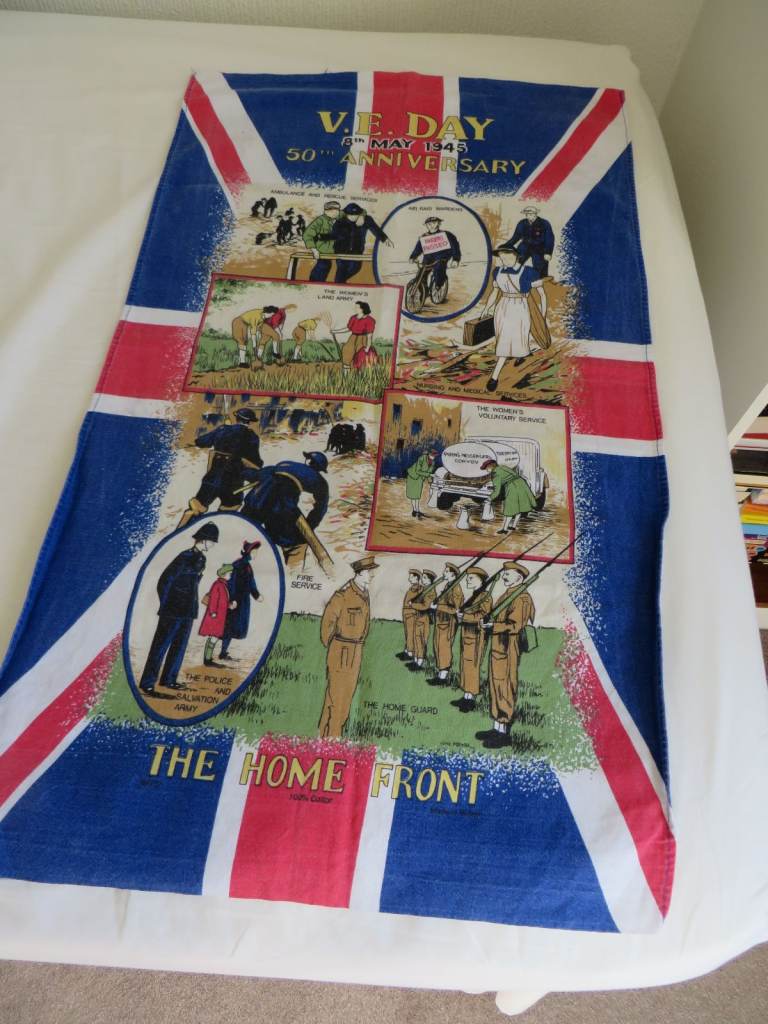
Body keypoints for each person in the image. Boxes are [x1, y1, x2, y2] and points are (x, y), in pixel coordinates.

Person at [139, 522, 219, 694]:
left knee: (179, 647)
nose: (213, 545)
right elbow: (164, 581)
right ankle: (147, 683)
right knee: (160, 646)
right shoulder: (184, 556)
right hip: (172, 610)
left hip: (188, 611)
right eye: (212, 541)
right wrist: (166, 604)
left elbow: (193, 585)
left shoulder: (202, 559)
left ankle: (169, 679)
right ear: (204, 539)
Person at [318, 554, 378, 737]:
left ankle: (327, 735)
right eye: (369, 572)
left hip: (356, 649)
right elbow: (327, 623)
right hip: (342, 649)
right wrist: (334, 645)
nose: (372, 575)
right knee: (337, 695)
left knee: (346, 694)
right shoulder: (344, 594)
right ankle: (332, 736)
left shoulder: (363, 592)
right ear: (359, 573)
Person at [476, 561, 535, 749]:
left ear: (519, 577)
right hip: (498, 646)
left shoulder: (521, 598)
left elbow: (515, 625)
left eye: (508, 573)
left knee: (505, 687)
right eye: (504, 573)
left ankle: (504, 733)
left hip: (509, 647)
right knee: (495, 686)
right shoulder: (508, 594)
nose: (504, 576)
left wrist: (493, 626)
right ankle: (497, 727)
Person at [241, 451, 329, 570]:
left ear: (308, 460)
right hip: (281, 511)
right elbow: (320, 508)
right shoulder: (319, 480)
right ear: (320, 469)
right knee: (295, 545)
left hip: (254, 504)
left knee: (244, 534)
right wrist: (309, 525)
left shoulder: (284, 464)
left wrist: (242, 469)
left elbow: (256, 475)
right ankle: (294, 572)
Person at [480, 243, 549, 393]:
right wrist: (487, 308)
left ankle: (494, 377)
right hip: (502, 307)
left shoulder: (529, 272)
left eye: (508, 256)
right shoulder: (497, 271)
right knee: (504, 337)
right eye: (502, 257)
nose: (505, 260)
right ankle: (520, 355)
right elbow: (494, 292)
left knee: (513, 337)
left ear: (516, 256)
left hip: (520, 308)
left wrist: (543, 317)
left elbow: (542, 295)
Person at [178, 408, 264, 527]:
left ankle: (179, 531)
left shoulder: (222, 429)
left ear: (237, 418)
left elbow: (202, 441)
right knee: (229, 510)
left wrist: (225, 430)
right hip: (233, 482)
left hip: (212, 478)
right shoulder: (252, 436)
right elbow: (255, 462)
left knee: (196, 507)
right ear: (249, 422)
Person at [451, 567, 493, 713]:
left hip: (477, 635)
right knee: (465, 665)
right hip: (467, 634)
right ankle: (466, 696)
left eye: (471, 578)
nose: (468, 581)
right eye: (468, 578)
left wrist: (464, 617)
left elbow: (483, 615)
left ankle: (471, 699)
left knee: (473, 666)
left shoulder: (485, 596)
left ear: (481, 581)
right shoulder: (474, 596)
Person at [330, 202, 393, 283]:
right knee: (341, 270)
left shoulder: (366, 219)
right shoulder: (340, 221)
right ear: (346, 214)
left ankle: (340, 283)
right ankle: (339, 283)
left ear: (359, 214)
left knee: (355, 268)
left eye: (355, 215)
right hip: (341, 252)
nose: (353, 217)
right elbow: (333, 235)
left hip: (357, 252)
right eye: (350, 215)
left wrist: (385, 238)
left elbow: (375, 229)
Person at [220, 540, 263, 661]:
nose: (256, 554)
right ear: (248, 553)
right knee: (228, 628)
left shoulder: (247, 566)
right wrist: (232, 599)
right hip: (236, 601)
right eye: (254, 552)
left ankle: (223, 652)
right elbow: (231, 582)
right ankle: (222, 652)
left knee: (234, 628)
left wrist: (256, 595)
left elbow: (251, 583)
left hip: (243, 601)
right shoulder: (238, 564)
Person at [428, 562, 464, 685]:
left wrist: (438, 607)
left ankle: (443, 677)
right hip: (441, 622)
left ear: (453, 574)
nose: (444, 573)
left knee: (444, 648)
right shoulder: (448, 586)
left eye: (447, 571)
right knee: (438, 646)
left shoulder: (456, 588)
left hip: (448, 623)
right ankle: (440, 674)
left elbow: (455, 609)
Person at [481, 456, 537, 533]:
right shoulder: (502, 467)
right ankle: (513, 526)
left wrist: (489, 498)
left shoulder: (495, 474)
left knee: (509, 509)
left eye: (486, 468)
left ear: (491, 466)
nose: (486, 470)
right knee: (519, 506)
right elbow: (510, 476)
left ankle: (504, 529)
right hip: (521, 484)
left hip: (512, 487)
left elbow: (497, 491)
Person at [409, 216, 462, 294]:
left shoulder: (446, 234)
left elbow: (455, 246)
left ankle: (438, 285)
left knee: (439, 270)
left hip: (442, 257)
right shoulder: (424, 236)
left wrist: (456, 259)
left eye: (434, 223)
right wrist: (413, 257)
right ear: (426, 225)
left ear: (439, 223)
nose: (431, 225)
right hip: (428, 258)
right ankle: (423, 291)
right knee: (421, 273)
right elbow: (418, 248)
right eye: (429, 224)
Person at [198, 563, 236, 667]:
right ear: (224, 574)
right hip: (215, 617)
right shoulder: (218, 585)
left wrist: (230, 605)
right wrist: (213, 612)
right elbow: (213, 600)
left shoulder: (223, 585)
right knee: (213, 637)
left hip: (219, 616)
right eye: (229, 573)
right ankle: (208, 660)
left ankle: (208, 659)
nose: (231, 575)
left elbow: (222, 601)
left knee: (213, 637)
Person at [505, 205, 555, 281]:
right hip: (525, 246)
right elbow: (516, 237)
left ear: (535, 214)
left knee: (540, 269)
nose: (529, 216)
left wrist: (548, 252)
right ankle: (512, 280)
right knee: (516, 262)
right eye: (527, 214)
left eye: (531, 214)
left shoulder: (544, 223)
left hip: (539, 248)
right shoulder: (522, 223)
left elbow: (549, 238)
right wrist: (506, 246)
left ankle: (541, 282)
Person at [303, 200, 342, 282]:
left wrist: (362, 216)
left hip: (339, 250)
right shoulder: (320, 220)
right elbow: (307, 234)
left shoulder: (340, 217)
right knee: (323, 266)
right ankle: (313, 283)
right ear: (326, 211)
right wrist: (314, 250)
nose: (336, 212)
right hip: (324, 251)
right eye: (332, 211)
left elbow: (356, 210)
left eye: (337, 210)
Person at [406, 569, 436, 672]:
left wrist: (413, 605)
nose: (422, 579)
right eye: (422, 577)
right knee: (416, 639)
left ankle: (419, 662)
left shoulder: (431, 591)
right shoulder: (424, 589)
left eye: (424, 578)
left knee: (421, 640)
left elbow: (425, 606)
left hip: (424, 618)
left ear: (430, 580)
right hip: (419, 617)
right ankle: (416, 660)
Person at [333, 302, 377, 373]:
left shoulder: (370, 320)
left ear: (363, 309)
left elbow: (369, 335)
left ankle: (360, 375)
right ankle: (346, 374)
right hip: (352, 338)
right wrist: (335, 331)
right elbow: (348, 328)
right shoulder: (353, 318)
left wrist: (368, 347)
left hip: (363, 339)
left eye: (357, 307)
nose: (355, 309)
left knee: (361, 357)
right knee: (346, 351)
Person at [397, 569, 423, 662]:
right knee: (408, 633)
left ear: (416, 578)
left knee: (411, 633)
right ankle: (408, 650)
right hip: (407, 614)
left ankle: (410, 652)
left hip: (412, 614)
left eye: (411, 577)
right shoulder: (412, 588)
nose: (409, 578)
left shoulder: (418, 589)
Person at [405, 448, 438, 517]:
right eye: (432, 455)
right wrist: (429, 475)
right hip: (413, 476)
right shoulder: (422, 458)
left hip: (420, 478)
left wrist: (431, 482)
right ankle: (415, 510)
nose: (433, 456)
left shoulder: (433, 463)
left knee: (417, 495)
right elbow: (418, 471)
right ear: (429, 454)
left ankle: (417, 510)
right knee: (413, 495)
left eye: (434, 455)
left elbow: (429, 473)